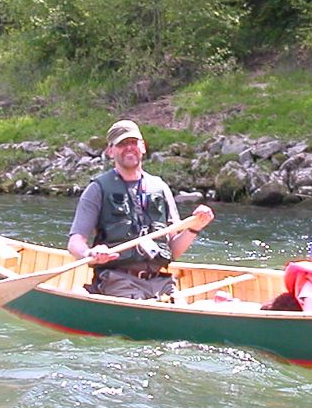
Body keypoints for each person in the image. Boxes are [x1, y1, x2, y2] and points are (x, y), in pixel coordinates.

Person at [68, 119, 214, 299]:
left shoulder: (160, 188)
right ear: (110, 151)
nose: (129, 147)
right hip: (118, 281)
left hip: (162, 283)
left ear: (143, 147)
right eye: (122, 144)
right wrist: (89, 253)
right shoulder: (97, 190)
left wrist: (195, 227)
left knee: (180, 306)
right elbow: (75, 243)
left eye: (133, 142)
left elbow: (173, 250)